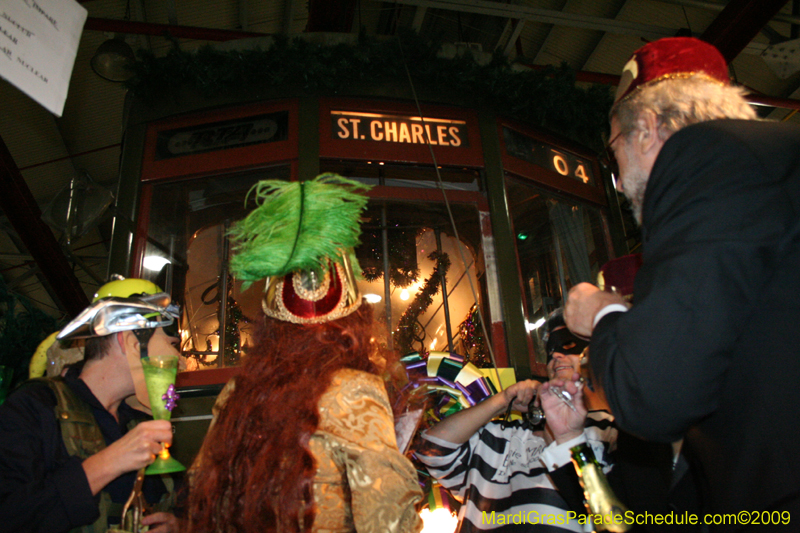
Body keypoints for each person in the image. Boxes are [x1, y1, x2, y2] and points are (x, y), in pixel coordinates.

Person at [564, 36, 800, 527]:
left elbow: (655, 398)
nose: (620, 177)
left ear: (646, 129)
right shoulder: (769, 166)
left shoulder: (700, 162)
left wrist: (602, 314)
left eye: (614, 153)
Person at [184, 174, 422, 533]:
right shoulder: (355, 391)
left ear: (271, 327)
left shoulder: (239, 391)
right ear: (354, 324)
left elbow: (201, 485)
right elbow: (388, 519)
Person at [0, 277, 182, 533]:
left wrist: (179, 525)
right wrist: (108, 463)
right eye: (171, 345)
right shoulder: (33, 407)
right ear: (130, 341)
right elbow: (11, 519)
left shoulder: (137, 423)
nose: (180, 360)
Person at [414, 311, 615, 532]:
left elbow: (611, 512)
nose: (556, 355)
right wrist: (502, 400)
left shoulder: (609, 431)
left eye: (569, 345)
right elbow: (431, 449)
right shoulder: (498, 436)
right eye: (549, 351)